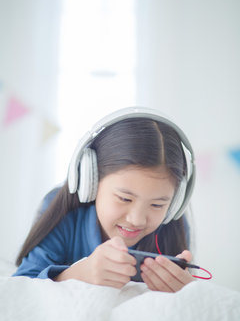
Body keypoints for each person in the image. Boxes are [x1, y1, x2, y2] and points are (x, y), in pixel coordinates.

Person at [13, 107, 196, 292]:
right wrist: (75, 275)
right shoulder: (62, 211)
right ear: (90, 182)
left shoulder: (174, 227)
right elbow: (20, 288)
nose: (137, 220)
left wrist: (185, 293)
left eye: (157, 204)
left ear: (175, 202)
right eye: (125, 198)